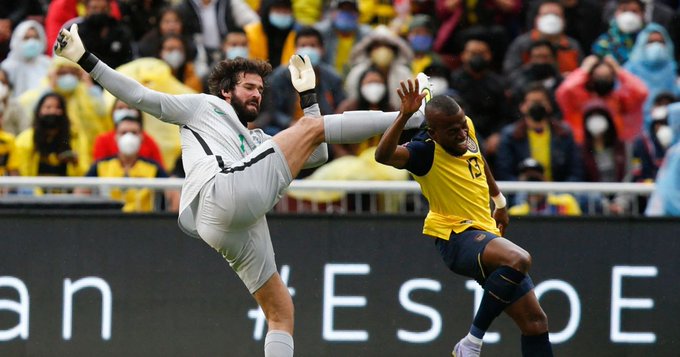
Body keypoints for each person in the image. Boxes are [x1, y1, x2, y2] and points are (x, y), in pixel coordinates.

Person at [54, 23, 428, 356]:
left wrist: (309, 98)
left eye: (261, 89)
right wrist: (85, 59)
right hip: (221, 192)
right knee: (308, 130)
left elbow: (318, 154)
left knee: (281, 311)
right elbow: (139, 96)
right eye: (248, 87)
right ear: (226, 92)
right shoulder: (203, 107)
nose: (257, 95)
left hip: (223, 225)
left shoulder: (257, 140)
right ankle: (414, 116)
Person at [374, 80, 553, 357]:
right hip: (456, 236)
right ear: (433, 132)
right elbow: (383, 155)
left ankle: (472, 344)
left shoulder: (463, 124)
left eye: (461, 126)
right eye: (452, 130)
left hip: (485, 231)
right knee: (518, 259)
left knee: (535, 323)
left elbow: (478, 158)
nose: (461, 133)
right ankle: (471, 343)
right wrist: (404, 115)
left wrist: (500, 201)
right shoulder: (424, 152)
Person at [259, 26, 346, 135]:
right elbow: (271, 110)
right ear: (295, 49)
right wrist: (290, 123)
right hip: (286, 129)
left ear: (322, 50)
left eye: (313, 46)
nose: (308, 50)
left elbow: (340, 109)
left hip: (321, 130)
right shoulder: (280, 76)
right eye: (303, 46)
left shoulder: (333, 78)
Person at [78, 113, 169, 213]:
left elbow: (173, 194)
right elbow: (80, 193)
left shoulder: (153, 167)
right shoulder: (101, 165)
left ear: (142, 137)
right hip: (108, 222)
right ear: (116, 136)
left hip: (143, 223)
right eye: (123, 132)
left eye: (134, 132)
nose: (129, 137)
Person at [495, 83, 582, 182]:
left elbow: (575, 172)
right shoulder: (510, 135)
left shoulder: (564, 133)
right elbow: (505, 173)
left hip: (559, 194)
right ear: (522, 106)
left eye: (540, 102)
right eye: (533, 102)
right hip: (522, 193)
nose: (537, 106)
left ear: (549, 105)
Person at [503, 0, 582, 76]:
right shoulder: (522, 44)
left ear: (564, 20)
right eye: (546, 15)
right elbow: (511, 71)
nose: (551, 19)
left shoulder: (573, 46)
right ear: (537, 19)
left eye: (556, 15)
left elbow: (580, 73)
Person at [92, 99, 164, 167]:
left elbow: (160, 173)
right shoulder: (103, 140)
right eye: (120, 108)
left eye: (129, 108)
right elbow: (98, 169)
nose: (125, 111)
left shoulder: (149, 141)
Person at [507, 158, 582, 216]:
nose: (533, 186)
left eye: (536, 180)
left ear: (544, 180)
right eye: (529, 180)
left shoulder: (566, 203)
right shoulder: (515, 213)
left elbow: (578, 229)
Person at [0, 20, 51, 98]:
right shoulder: (8, 67)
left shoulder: (47, 63)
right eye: (26, 38)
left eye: (35, 37)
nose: (32, 42)